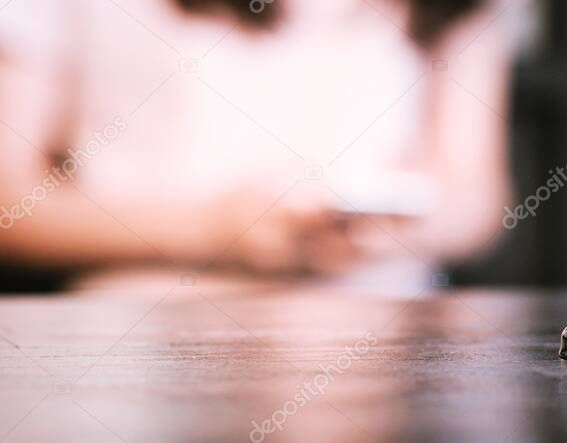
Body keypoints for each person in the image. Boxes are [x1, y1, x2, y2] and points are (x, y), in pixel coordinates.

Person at [0, 0, 511, 289]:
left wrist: (392, 226)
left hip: (392, 342)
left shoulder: (459, 10)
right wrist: (213, 229)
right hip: (143, 346)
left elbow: (477, 201)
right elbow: (11, 207)